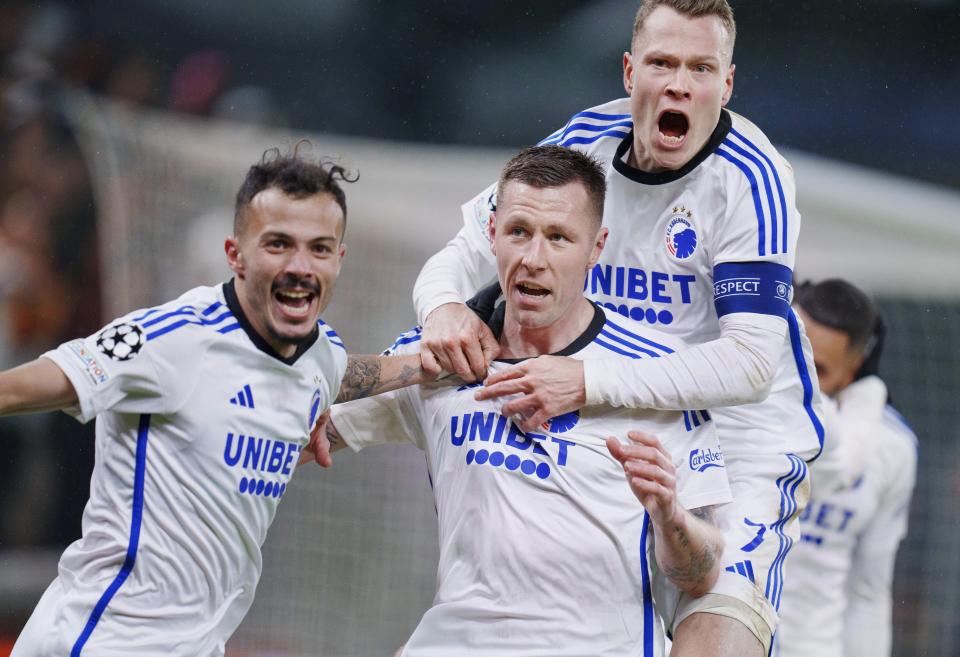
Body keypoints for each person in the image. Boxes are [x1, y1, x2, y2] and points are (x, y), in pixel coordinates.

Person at [410, 1, 824, 655]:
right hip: (618, 431)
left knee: (711, 636)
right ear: (630, 71)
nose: (679, 85)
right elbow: (466, 247)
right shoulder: (583, 142)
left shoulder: (752, 180)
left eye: (701, 67)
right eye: (662, 63)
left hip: (740, 444)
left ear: (728, 83)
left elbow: (748, 363)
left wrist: (588, 379)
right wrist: (441, 306)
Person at [3, 150, 434, 657]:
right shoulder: (169, 340)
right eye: (278, 245)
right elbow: (18, 387)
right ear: (236, 254)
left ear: (339, 258)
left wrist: (453, 359)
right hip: (100, 642)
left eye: (319, 249)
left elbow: (351, 375)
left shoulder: (321, 355)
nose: (300, 266)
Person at [322, 145, 732, 656]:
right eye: (519, 232)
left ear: (596, 247)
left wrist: (668, 513)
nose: (533, 259)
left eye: (559, 237)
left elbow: (702, 576)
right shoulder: (441, 355)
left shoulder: (658, 374)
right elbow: (302, 430)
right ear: (492, 234)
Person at [773, 279, 917, 657]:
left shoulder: (893, 448)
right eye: (794, 354)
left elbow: (868, 589)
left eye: (818, 370)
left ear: (853, 369)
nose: (801, 378)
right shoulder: (736, 404)